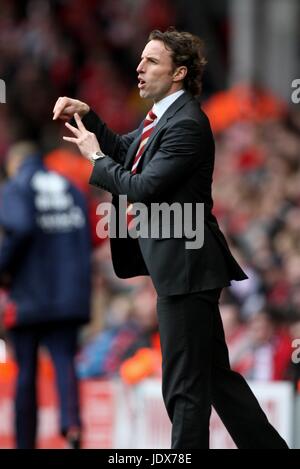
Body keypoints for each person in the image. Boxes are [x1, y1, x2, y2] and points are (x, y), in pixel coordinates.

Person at [53, 28, 288, 449]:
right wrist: (88, 118)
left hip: (186, 268)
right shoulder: (162, 119)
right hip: (184, 268)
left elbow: (144, 188)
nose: (139, 68)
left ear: (179, 73)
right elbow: (127, 152)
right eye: (140, 59)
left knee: (183, 387)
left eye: (151, 61)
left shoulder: (189, 124)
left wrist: (94, 157)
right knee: (215, 379)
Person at [0, 141, 91, 449]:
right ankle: (72, 426)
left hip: (29, 296)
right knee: (65, 360)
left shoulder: (17, 187)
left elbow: (21, 228)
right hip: (70, 294)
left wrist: (3, 266)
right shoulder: (72, 188)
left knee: (26, 370)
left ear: (15, 163)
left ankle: (25, 441)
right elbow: (89, 237)